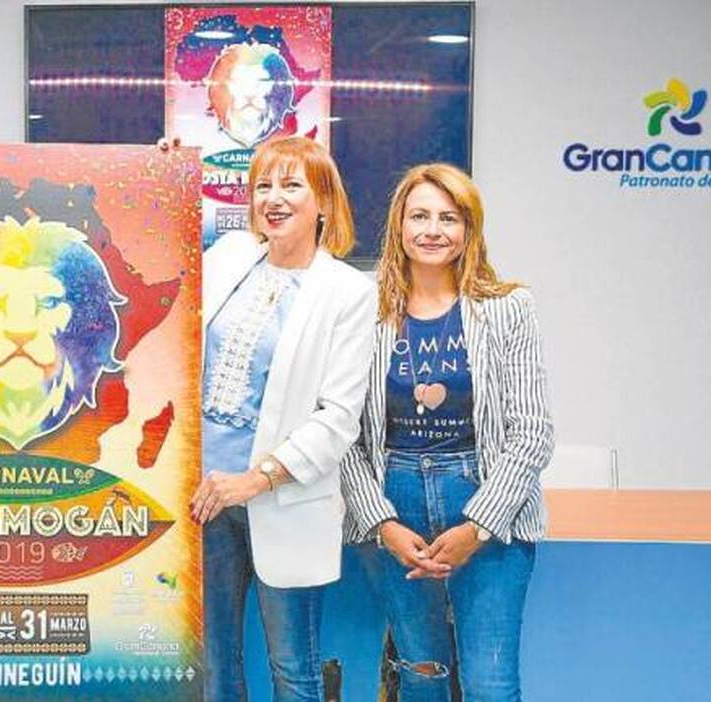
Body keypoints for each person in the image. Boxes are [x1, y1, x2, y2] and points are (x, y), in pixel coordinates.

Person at [341, 163, 553, 701]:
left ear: (468, 229)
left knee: (490, 684)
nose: (432, 230)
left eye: (448, 218)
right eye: (419, 216)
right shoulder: (363, 311)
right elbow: (344, 434)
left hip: (486, 500)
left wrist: (477, 527)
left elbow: (532, 432)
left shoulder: (508, 309)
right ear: (399, 225)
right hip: (396, 502)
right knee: (422, 674)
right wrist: (382, 523)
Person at [191, 136, 375, 701]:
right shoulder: (227, 256)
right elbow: (157, 257)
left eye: (291, 185)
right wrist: (163, 166)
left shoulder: (348, 292)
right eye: (263, 186)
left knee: (293, 669)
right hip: (205, 498)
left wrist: (255, 480)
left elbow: (338, 419)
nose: (273, 198)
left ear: (324, 202)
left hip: (283, 498)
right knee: (212, 664)